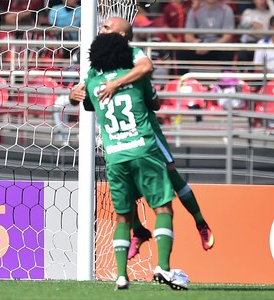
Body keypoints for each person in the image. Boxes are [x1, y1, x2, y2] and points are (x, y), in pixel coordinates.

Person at [70, 16, 214, 258]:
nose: (101, 29)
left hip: (145, 131)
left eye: (107, 27)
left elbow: (147, 67)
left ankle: (200, 221)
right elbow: (87, 95)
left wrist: (116, 83)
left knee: (170, 173)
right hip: (117, 135)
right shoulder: (97, 64)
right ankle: (138, 230)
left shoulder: (133, 53)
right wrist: (75, 94)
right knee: (126, 187)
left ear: (123, 35)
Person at [79, 32, 188, 291]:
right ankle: (162, 265)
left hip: (115, 156)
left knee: (122, 218)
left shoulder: (94, 87)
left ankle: (120, 276)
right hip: (145, 151)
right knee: (162, 209)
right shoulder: (138, 81)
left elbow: (85, 103)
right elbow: (155, 103)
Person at [176, 0, 235, 75]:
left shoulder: (227, 10)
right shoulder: (195, 10)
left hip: (217, 46)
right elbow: (188, 36)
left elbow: (228, 36)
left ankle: (227, 83)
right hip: (200, 46)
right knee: (181, 52)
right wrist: (197, 43)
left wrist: (210, 46)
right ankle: (182, 82)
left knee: (228, 52)